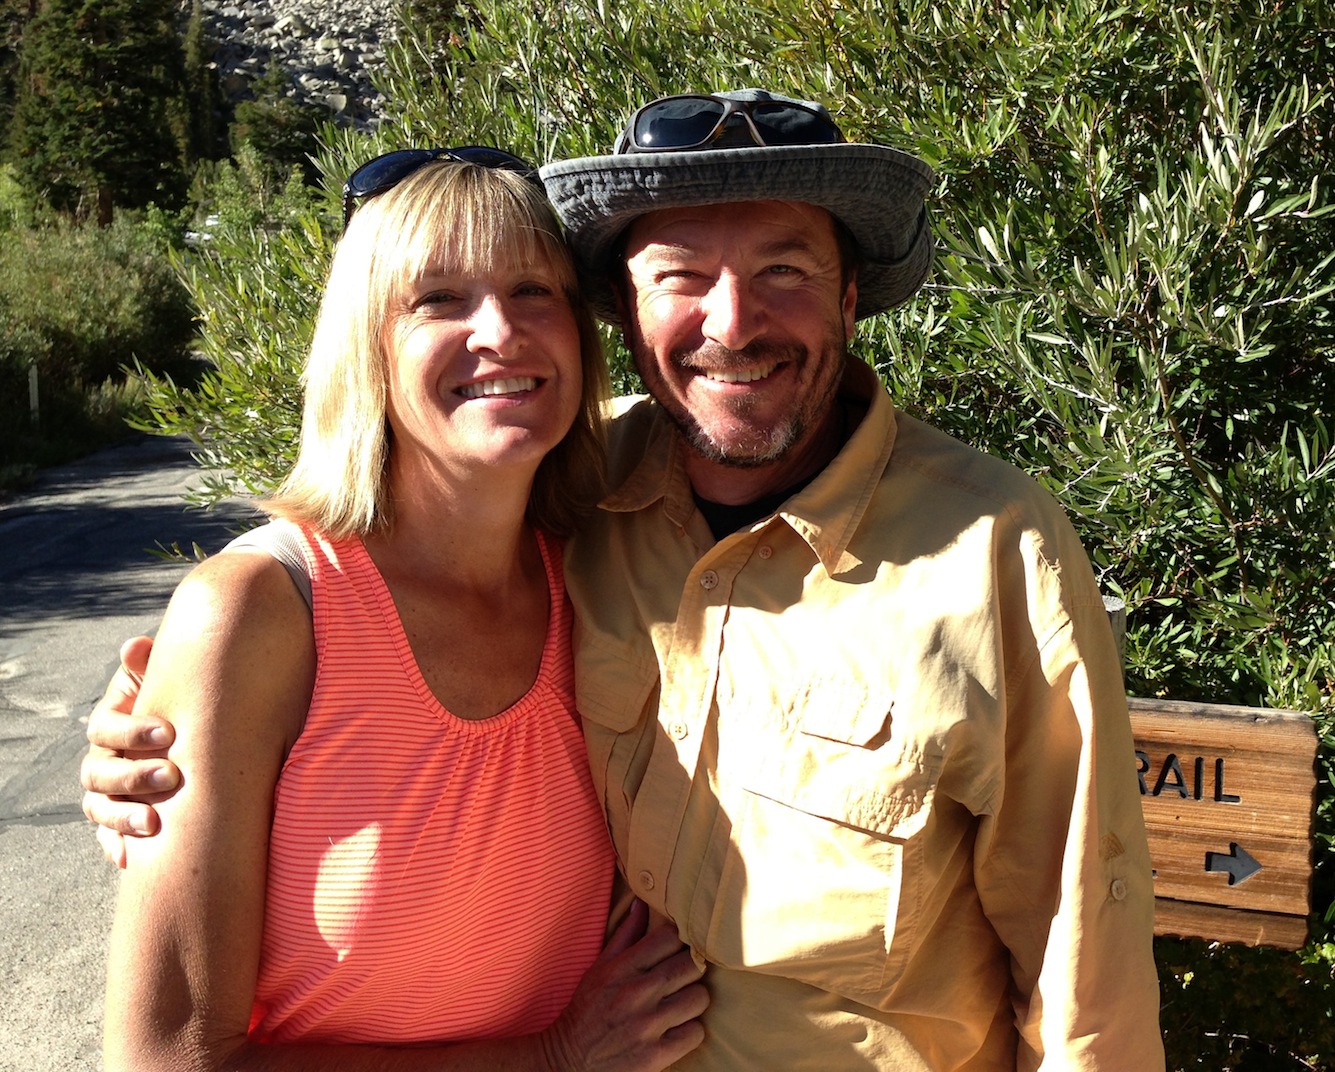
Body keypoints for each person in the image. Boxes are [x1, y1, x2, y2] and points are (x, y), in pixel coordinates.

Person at [84, 91, 1164, 1068]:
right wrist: (173, 716)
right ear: (627, 313)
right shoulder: (573, 497)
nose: (732, 323)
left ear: (847, 295)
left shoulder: (989, 546)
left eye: (784, 269)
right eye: (681, 276)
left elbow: (1085, 977)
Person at [97, 147, 708, 1072]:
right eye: (438, 300)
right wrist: (548, 1060)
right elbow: (163, 1059)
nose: (499, 331)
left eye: (535, 290)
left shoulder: (603, 567)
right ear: (366, 347)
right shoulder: (264, 613)